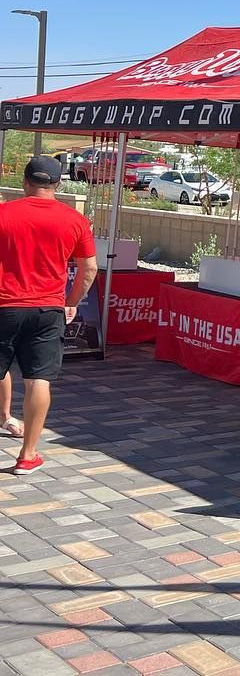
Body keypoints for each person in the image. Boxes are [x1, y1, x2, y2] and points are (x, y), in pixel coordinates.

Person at [0, 156, 98, 474]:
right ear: (57, 184)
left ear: (25, 182)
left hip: (4, 305)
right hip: (47, 309)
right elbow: (89, 269)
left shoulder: (3, 213)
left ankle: (7, 420)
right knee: (38, 380)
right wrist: (71, 302)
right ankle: (27, 455)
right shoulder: (75, 220)